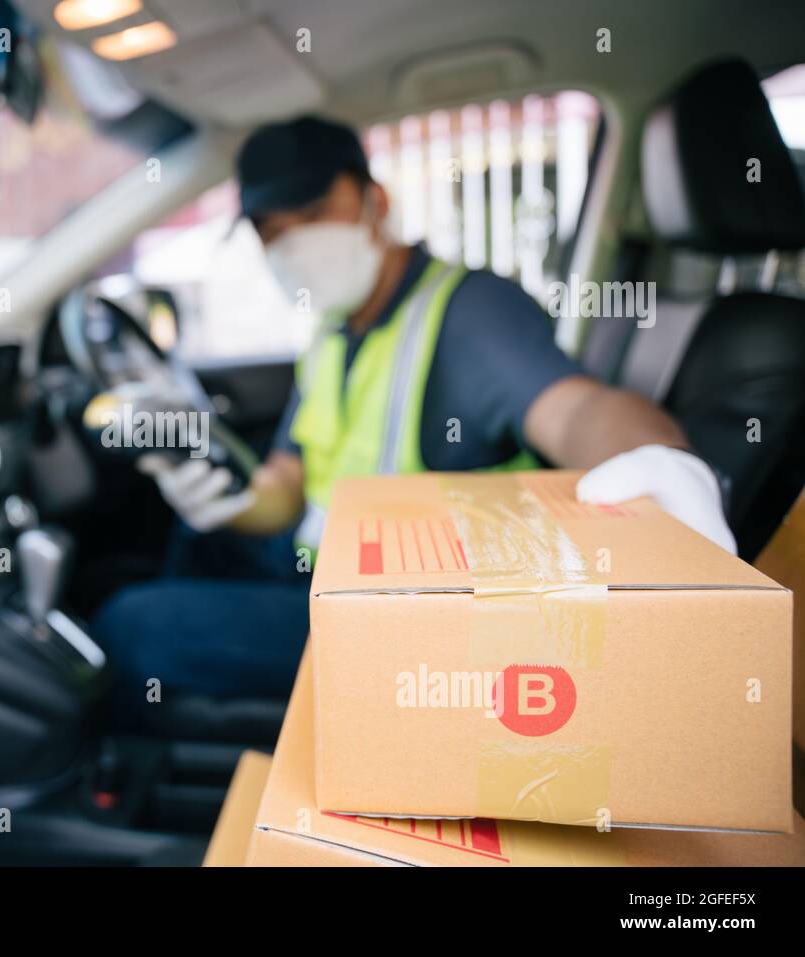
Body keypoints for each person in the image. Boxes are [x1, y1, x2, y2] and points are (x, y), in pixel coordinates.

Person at [92, 115, 734, 722]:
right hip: (323, 569)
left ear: (377, 201)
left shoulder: (470, 311)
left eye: (313, 213)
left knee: (128, 622)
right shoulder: (331, 332)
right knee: (192, 542)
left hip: (408, 617)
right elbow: (288, 484)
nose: (293, 245)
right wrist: (228, 500)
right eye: (270, 229)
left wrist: (658, 461)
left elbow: (576, 410)